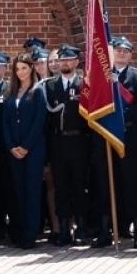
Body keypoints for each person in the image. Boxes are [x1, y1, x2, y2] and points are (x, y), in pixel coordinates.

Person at [45, 45, 97, 246]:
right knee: (61, 189)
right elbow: (47, 122)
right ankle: (64, 229)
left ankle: (82, 227)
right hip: (58, 144)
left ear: (77, 62)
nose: (65, 63)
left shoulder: (85, 85)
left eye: (69, 59)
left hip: (80, 143)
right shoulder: (49, 87)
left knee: (79, 188)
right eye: (62, 60)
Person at [110, 36, 137, 248]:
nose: (121, 53)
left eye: (125, 51)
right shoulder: (103, 76)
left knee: (132, 184)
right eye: (118, 50)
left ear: (130, 54)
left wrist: (119, 119)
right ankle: (114, 228)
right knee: (109, 183)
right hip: (108, 136)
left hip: (131, 137)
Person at [1, 54, 48, 250]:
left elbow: (39, 122)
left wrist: (26, 147)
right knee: (18, 191)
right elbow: (6, 122)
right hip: (15, 151)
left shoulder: (38, 91)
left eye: (24, 68)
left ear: (31, 69)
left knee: (32, 192)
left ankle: (31, 234)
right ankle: (19, 232)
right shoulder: (11, 93)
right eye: (17, 69)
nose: (21, 72)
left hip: (33, 150)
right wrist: (11, 146)